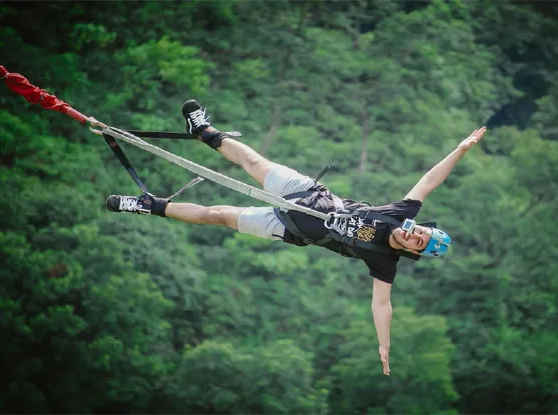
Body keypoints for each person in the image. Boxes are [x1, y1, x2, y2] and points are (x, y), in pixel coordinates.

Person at [106, 99, 487, 376]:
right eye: (422, 231)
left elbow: (382, 306)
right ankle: (203, 130)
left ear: (413, 252)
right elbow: (431, 180)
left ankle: (148, 206)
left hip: (289, 227)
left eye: (419, 241)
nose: (415, 234)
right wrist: (461, 148)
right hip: (307, 194)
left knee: (216, 215)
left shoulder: (384, 262)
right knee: (253, 162)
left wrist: (384, 344)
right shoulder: (401, 212)